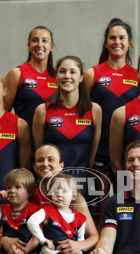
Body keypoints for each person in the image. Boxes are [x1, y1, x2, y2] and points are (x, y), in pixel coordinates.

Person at [32, 55, 102, 186]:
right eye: (62, 71)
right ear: (56, 76)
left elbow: (91, 157)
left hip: (84, 184)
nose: (67, 76)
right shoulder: (42, 111)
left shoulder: (94, 110)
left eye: (72, 72)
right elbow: (39, 154)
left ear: (81, 77)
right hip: (52, 186)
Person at [83, 18, 138, 176]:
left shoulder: (138, 76)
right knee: (100, 200)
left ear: (129, 43)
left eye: (122, 38)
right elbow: (82, 112)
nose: (117, 42)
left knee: (126, 200)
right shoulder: (92, 74)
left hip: (130, 150)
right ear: (106, 43)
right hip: (100, 149)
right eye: (112, 38)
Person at [5, 26, 57, 161]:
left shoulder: (60, 76)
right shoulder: (17, 74)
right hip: (26, 147)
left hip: (55, 147)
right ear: (28, 46)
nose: (40, 44)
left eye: (44, 41)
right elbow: (1, 113)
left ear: (51, 46)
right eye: (35, 40)